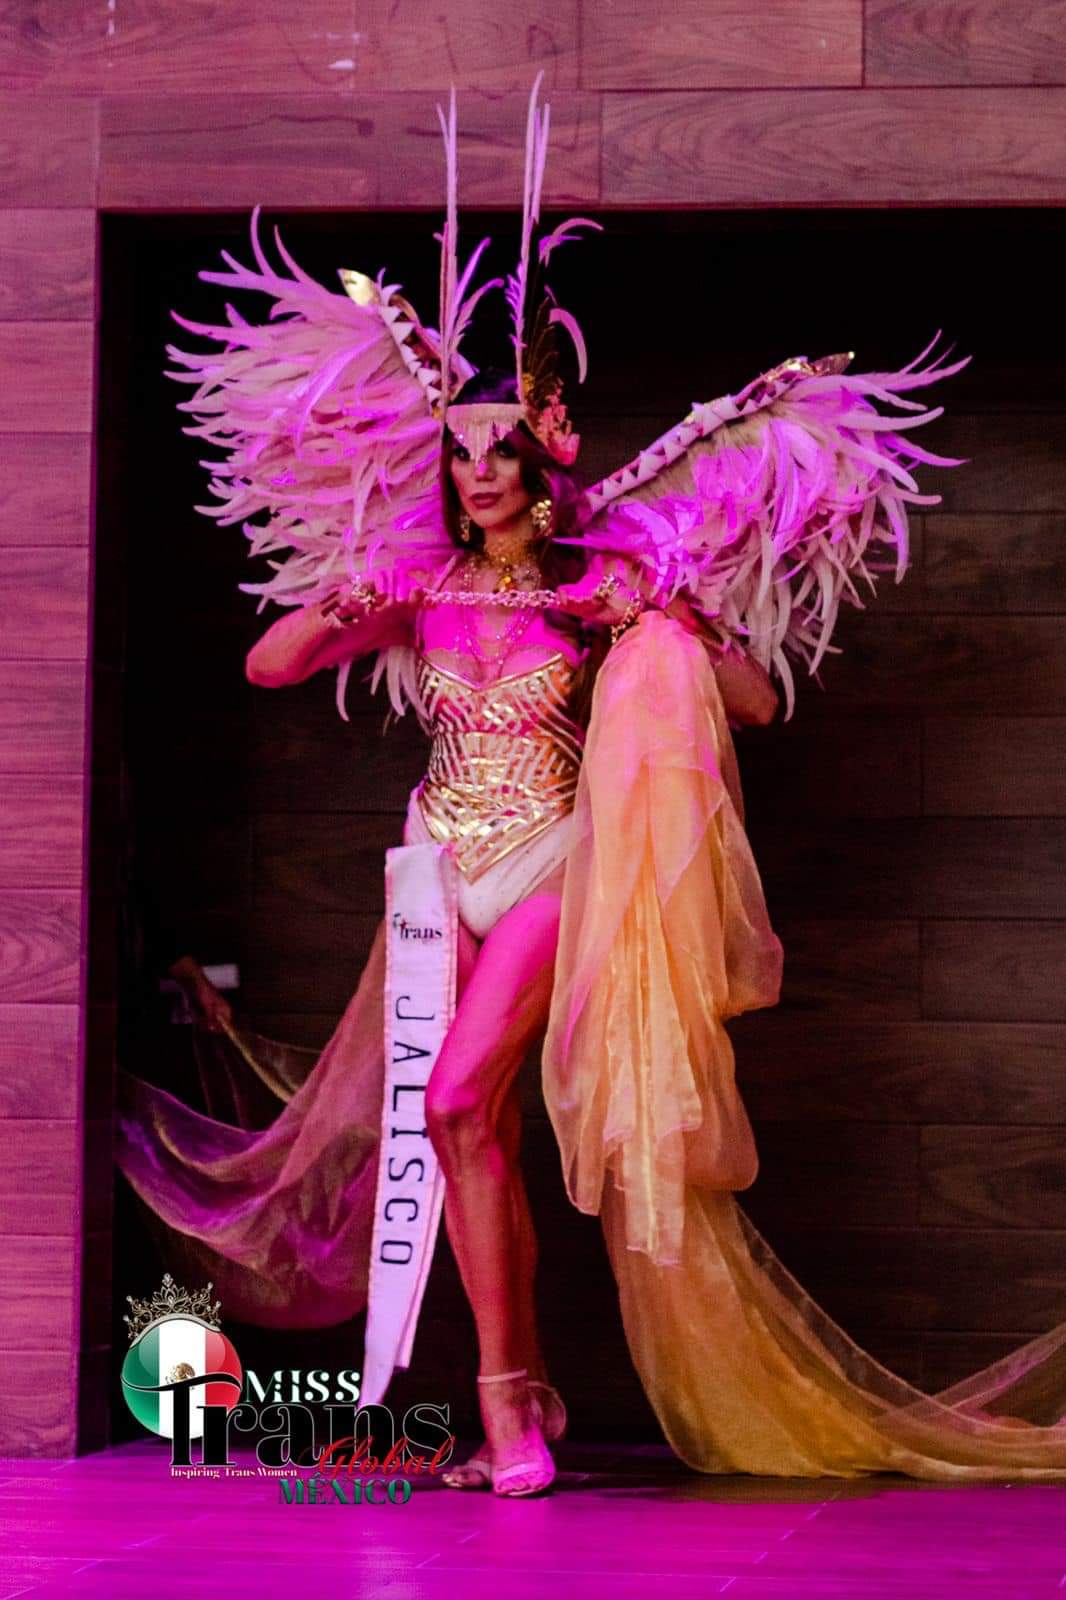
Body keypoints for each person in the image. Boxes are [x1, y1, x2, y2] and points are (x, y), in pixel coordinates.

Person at [116, 80, 1066, 1495]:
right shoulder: (421, 584)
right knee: (467, 1128)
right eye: (460, 448)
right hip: (436, 866)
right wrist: (351, 596)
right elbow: (269, 664)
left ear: (543, 457)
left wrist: (662, 616)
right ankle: (521, 1394)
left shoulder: (599, 579)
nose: (480, 469)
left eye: (501, 445)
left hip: (557, 862)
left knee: (452, 1103)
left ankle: (507, 1407)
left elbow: (751, 702)